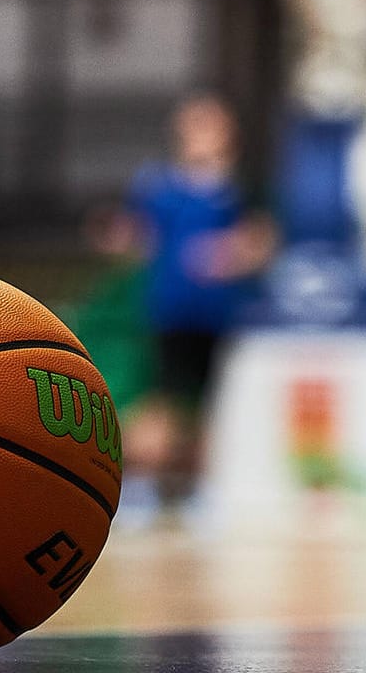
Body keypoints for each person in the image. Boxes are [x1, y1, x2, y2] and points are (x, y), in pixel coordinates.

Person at [95, 94, 274, 516]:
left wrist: (231, 253)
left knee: (211, 404)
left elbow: (260, 241)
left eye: (211, 127)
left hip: (217, 315)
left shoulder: (237, 191)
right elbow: (138, 237)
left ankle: (203, 490)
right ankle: (141, 485)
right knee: (163, 401)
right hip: (170, 313)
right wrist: (118, 237)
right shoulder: (160, 187)